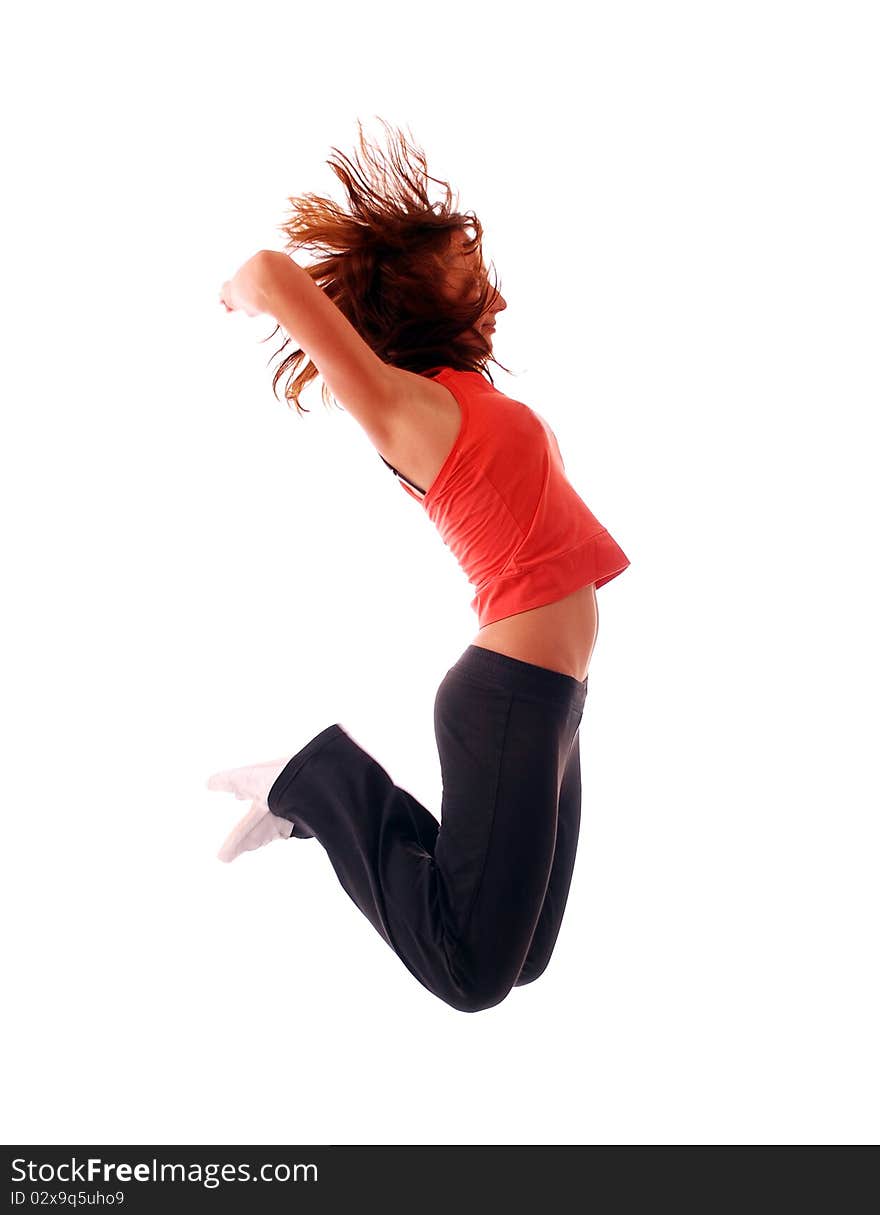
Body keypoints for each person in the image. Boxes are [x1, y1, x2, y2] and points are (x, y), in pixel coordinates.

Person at [208, 119, 630, 1013]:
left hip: (556, 703)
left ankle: (323, 792)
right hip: (507, 692)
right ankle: (317, 780)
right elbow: (275, 276)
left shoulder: (473, 399)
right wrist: (232, 294)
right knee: (471, 975)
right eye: (483, 287)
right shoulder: (405, 413)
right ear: (422, 295)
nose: (498, 306)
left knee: (523, 959)